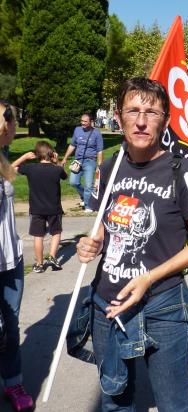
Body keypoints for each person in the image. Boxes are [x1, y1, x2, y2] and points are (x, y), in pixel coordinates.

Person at [75, 77, 188, 411]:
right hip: (106, 304)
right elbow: (103, 229)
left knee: (173, 404)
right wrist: (90, 243)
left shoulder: (183, 170)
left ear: (165, 120)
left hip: (161, 307)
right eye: (133, 110)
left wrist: (149, 278)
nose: (141, 121)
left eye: (152, 112)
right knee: (114, 401)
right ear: (119, 115)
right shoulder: (109, 167)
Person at [0, 101, 34, 411]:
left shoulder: (2, 156)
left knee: (10, 327)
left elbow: (8, 176)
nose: (13, 124)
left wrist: (22, 158)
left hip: (11, 259)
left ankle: (13, 382)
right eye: (9, 118)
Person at [13, 141, 67, 272]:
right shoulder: (57, 169)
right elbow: (64, 175)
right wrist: (58, 161)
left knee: (38, 236)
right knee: (56, 232)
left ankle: (39, 263)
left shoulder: (30, 168)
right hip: (54, 208)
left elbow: (11, 168)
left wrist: (24, 157)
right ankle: (53, 257)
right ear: (51, 153)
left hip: (36, 209)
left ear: (37, 154)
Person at [62, 113, 104, 212]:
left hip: (90, 161)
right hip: (78, 161)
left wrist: (99, 165)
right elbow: (72, 145)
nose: (83, 123)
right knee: (73, 182)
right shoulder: (77, 130)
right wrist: (65, 158)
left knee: (88, 185)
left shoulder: (96, 133)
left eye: (85, 121)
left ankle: (88, 205)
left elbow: (100, 150)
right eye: (82, 121)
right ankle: (84, 196)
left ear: (91, 122)